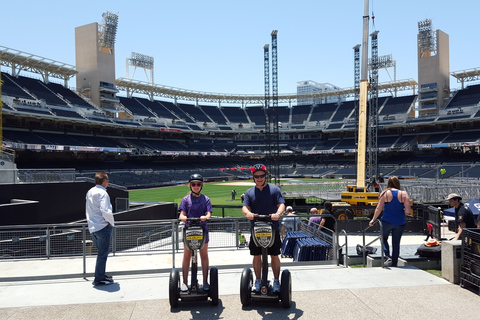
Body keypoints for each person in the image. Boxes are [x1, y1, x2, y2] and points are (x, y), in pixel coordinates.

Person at [242, 163, 285, 293]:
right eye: (257, 176)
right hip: (256, 229)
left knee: (274, 255)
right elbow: (245, 207)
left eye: (262, 176)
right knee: (256, 255)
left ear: (265, 176)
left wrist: (278, 214)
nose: (259, 178)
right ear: (253, 177)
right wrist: (247, 213)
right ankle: (258, 280)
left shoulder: (274, 190)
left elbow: (281, 204)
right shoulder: (249, 192)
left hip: (272, 228)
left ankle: (276, 281)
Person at [179, 173, 212, 292]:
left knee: (204, 255)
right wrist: (183, 217)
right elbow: (182, 213)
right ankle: (184, 282)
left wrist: (205, 217)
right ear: (190, 186)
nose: (196, 186)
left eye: (198, 184)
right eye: (193, 184)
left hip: (202, 231)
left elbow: (209, 214)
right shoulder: (186, 199)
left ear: (201, 185)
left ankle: (205, 281)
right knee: (187, 256)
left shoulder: (206, 199)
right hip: (189, 231)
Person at [369, 176, 411, 267]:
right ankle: (394, 263)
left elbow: (378, 208)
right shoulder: (403, 194)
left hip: (387, 221)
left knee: (383, 238)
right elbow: (408, 210)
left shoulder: (385, 193)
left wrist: (373, 219)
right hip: (400, 222)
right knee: (396, 243)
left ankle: (387, 256)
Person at [85, 171, 115, 286]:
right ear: (105, 181)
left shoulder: (90, 192)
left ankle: (101, 275)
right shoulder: (103, 193)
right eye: (107, 180)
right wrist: (111, 223)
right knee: (103, 254)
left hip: (93, 227)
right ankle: (99, 278)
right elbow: (106, 210)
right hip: (103, 227)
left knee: (102, 253)